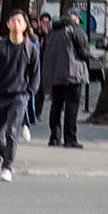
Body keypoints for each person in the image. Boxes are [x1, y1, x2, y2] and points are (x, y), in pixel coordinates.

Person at [0, 10, 41, 182]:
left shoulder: (31, 49)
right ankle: (6, 154)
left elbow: (36, 73)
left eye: (19, 21)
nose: (16, 24)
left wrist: (30, 92)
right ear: (8, 24)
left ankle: (7, 166)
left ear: (24, 26)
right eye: (13, 21)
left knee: (12, 132)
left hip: (19, 96)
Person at [41, 12, 93, 148]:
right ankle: (70, 138)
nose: (78, 22)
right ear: (74, 18)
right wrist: (92, 56)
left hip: (55, 74)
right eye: (78, 19)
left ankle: (54, 137)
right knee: (72, 106)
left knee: (56, 105)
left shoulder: (52, 31)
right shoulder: (76, 31)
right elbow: (82, 52)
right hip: (73, 74)